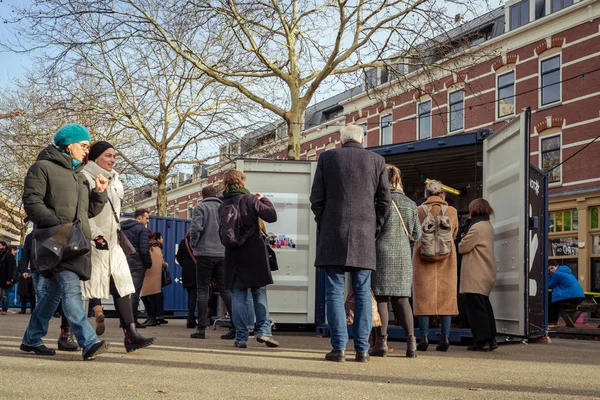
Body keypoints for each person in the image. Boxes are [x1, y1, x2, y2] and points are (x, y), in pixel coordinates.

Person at [20, 123, 109, 360]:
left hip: (75, 243)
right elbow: (31, 201)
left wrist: (99, 192)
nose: (86, 151)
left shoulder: (79, 176)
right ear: (68, 144)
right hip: (56, 241)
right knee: (70, 290)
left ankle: (31, 339)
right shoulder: (42, 168)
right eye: (83, 145)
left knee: (52, 296)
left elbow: (86, 212)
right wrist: (58, 224)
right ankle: (88, 341)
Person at [310, 124, 391, 363]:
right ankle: (363, 350)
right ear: (362, 140)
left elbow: (316, 198)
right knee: (363, 292)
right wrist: (373, 226)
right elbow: (384, 201)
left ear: (341, 141)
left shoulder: (327, 158)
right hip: (365, 234)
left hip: (333, 232)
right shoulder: (377, 160)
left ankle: (339, 348)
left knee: (334, 293)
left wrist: (324, 222)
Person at [81, 141, 155, 352]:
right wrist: (95, 235)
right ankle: (67, 332)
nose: (112, 159)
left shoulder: (115, 180)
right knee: (84, 288)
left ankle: (131, 334)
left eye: (114, 156)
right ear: (96, 157)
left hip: (114, 242)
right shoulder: (85, 177)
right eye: (108, 155)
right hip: (95, 242)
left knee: (122, 286)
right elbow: (83, 212)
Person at [219, 169, 280, 349]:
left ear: (226, 184)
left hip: (233, 254)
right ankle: (264, 331)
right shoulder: (251, 199)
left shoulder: (223, 204)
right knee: (259, 293)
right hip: (254, 253)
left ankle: (241, 337)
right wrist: (263, 199)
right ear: (242, 181)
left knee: (238, 296)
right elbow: (272, 216)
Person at [371, 165, 422, 358]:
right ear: (399, 179)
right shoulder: (410, 204)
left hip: (381, 252)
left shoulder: (378, 201)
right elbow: (416, 233)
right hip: (402, 254)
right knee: (402, 299)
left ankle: (381, 343)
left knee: (382, 298)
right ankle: (411, 344)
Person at [412, 179, 459, 353]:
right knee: (446, 298)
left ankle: (423, 338)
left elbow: (414, 233)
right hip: (447, 259)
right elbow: (454, 233)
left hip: (422, 258)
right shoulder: (452, 211)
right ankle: (445, 338)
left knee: (423, 297)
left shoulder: (419, 211)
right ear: (442, 194)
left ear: (426, 195)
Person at [190, 186, 234, 340]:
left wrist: (194, 244)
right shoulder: (224, 207)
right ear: (216, 195)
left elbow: (196, 228)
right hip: (222, 253)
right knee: (225, 290)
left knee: (202, 290)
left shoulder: (201, 207)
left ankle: (201, 329)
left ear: (202, 196)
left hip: (204, 253)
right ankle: (235, 327)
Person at [458, 198, 498, 352]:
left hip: (475, 272)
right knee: (484, 306)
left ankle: (481, 341)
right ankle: (491, 338)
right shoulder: (487, 225)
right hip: (485, 271)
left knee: (475, 309)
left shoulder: (477, 227)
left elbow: (463, 247)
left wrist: (461, 238)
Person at [121, 208, 153, 328]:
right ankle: (132, 321)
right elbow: (144, 250)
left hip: (124, 262)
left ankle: (123, 320)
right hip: (137, 264)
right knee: (134, 293)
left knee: (124, 292)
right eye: (146, 218)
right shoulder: (142, 230)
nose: (148, 221)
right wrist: (148, 263)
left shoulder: (123, 228)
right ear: (139, 218)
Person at [548, 260, 585, 325]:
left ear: (557, 266)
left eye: (552, 268)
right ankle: (554, 322)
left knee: (551, 302)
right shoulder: (567, 272)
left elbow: (549, 285)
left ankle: (551, 322)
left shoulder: (557, 274)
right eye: (549, 269)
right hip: (579, 298)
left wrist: (548, 275)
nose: (551, 270)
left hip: (572, 297)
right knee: (555, 302)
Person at [140, 231, 165, 327]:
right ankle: (150, 317)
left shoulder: (151, 247)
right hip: (151, 274)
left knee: (150, 297)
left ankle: (152, 318)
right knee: (147, 296)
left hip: (150, 274)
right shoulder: (156, 247)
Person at [176, 231, 198, 329]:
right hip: (196, 271)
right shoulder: (198, 242)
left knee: (190, 296)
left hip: (186, 272)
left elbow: (178, 257)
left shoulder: (182, 243)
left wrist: (184, 265)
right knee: (194, 296)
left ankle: (191, 319)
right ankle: (191, 320)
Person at [18, 237, 36, 314]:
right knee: (23, 294)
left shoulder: (34, 259)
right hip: (25, 278)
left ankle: (33, 309)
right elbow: (20, 266)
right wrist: (23, 271)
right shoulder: (23, 259)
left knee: (33, 294)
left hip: (33, 276)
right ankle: (23, 309)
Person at [0, 241, 17, 315]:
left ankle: (4, 309)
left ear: (4, 246)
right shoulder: (1, 255)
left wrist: (9, 279)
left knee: (5, 295)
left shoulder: (9, 255)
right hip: (0, 277)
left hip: (5, 277)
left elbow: (10, 268)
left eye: (0, 246)